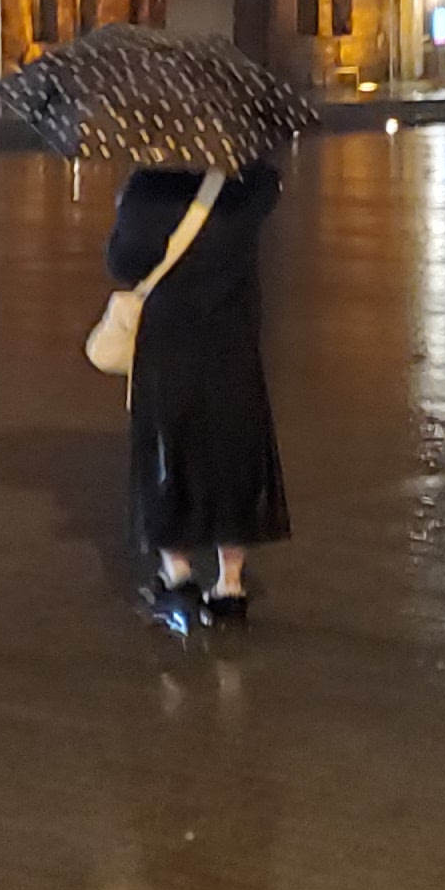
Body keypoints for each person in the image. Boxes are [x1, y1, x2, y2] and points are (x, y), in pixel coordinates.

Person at [106, 159, 289, 622]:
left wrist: (125, 207)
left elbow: (123, 263)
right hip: (233, 342)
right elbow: (269, 188)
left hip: (169, 344)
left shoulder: (148, 188)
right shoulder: (245, 186)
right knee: (232, 452)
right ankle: (230, 584)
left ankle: (178, 576)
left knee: (169, 450)